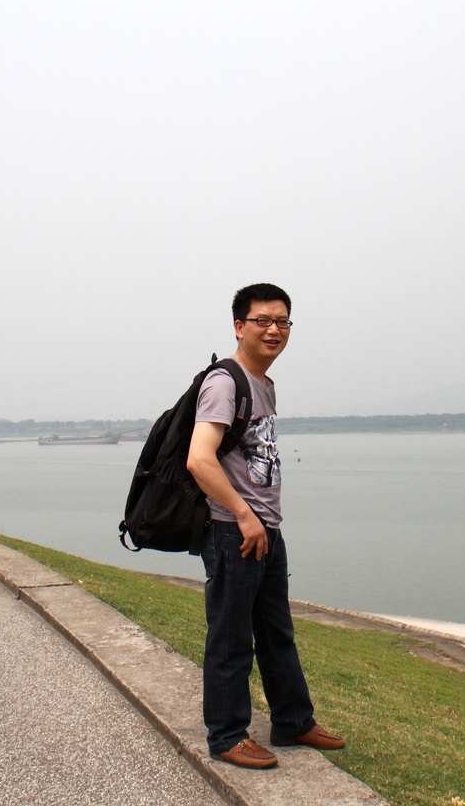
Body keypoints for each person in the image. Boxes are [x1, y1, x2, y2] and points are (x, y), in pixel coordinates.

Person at [185, 283, 345, 770]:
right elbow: (199, 459)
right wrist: (243, 514)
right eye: (262, 321)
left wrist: (259, 521)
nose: (274, 330)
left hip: (264, 529)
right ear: (239, 327)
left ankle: (293, 720)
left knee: (276, 631)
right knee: (231, 636)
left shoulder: (263, 384)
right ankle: (227, 735)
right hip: (233, 529)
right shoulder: (225, 382)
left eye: (282, 321)